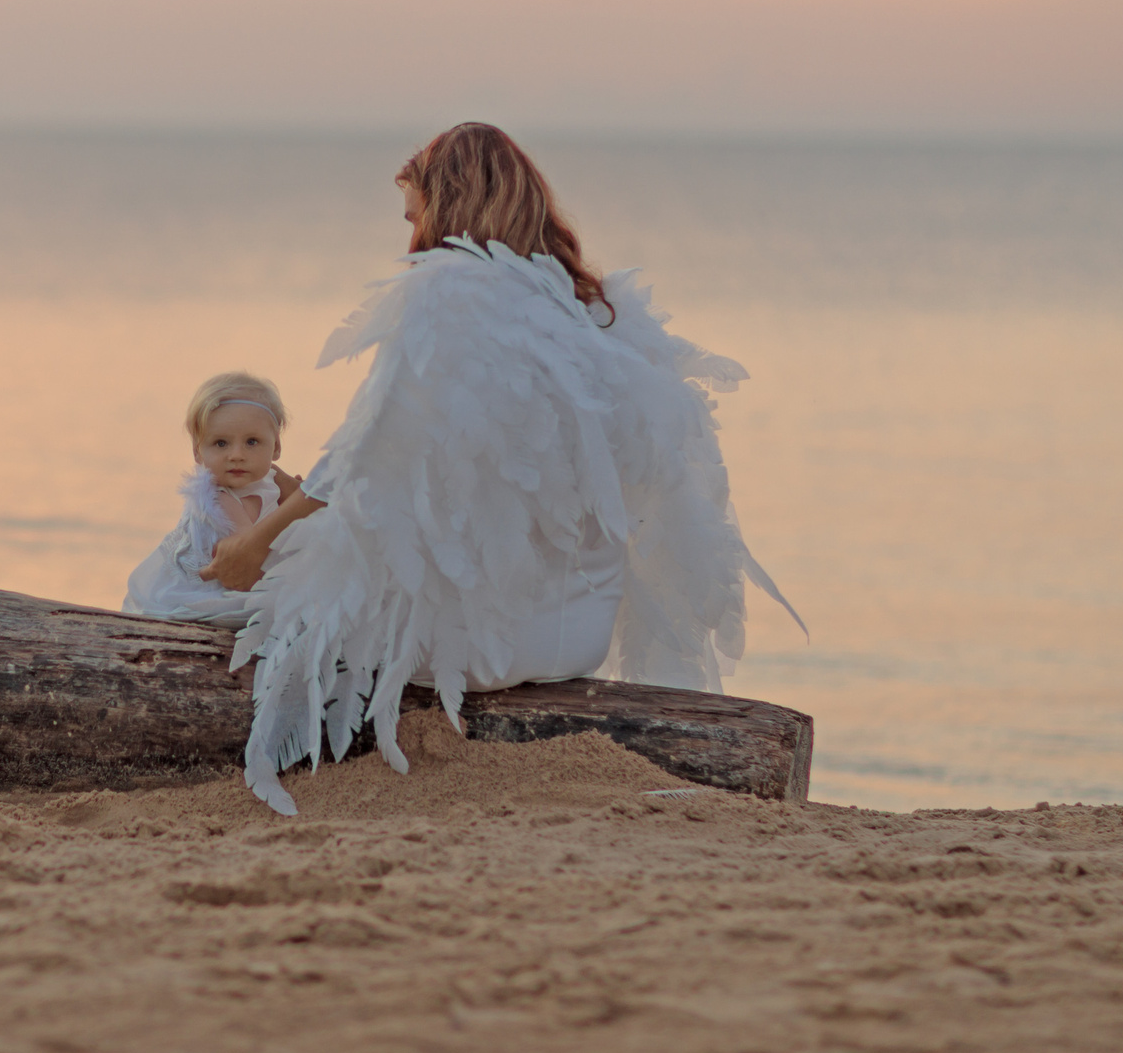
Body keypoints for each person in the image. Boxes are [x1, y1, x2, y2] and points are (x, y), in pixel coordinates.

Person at [203, 124, 800, 814]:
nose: (410, 238)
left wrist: (258, 542)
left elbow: (358, 454)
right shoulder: (595, 313)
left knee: (242, 575)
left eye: (415, 214)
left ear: (446, 205)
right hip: (579, 637)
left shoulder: (446, 292)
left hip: (481, 651)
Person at [120, 372, 304, 626]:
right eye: (220, 444)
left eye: (252, 442)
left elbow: (301, 511)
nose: (237, 455)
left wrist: (300, 498)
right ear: (198, 451)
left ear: (276, 448)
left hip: (252, 577)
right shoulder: (220, 500)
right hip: (220, 587)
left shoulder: (271, 481)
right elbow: (250, 552)